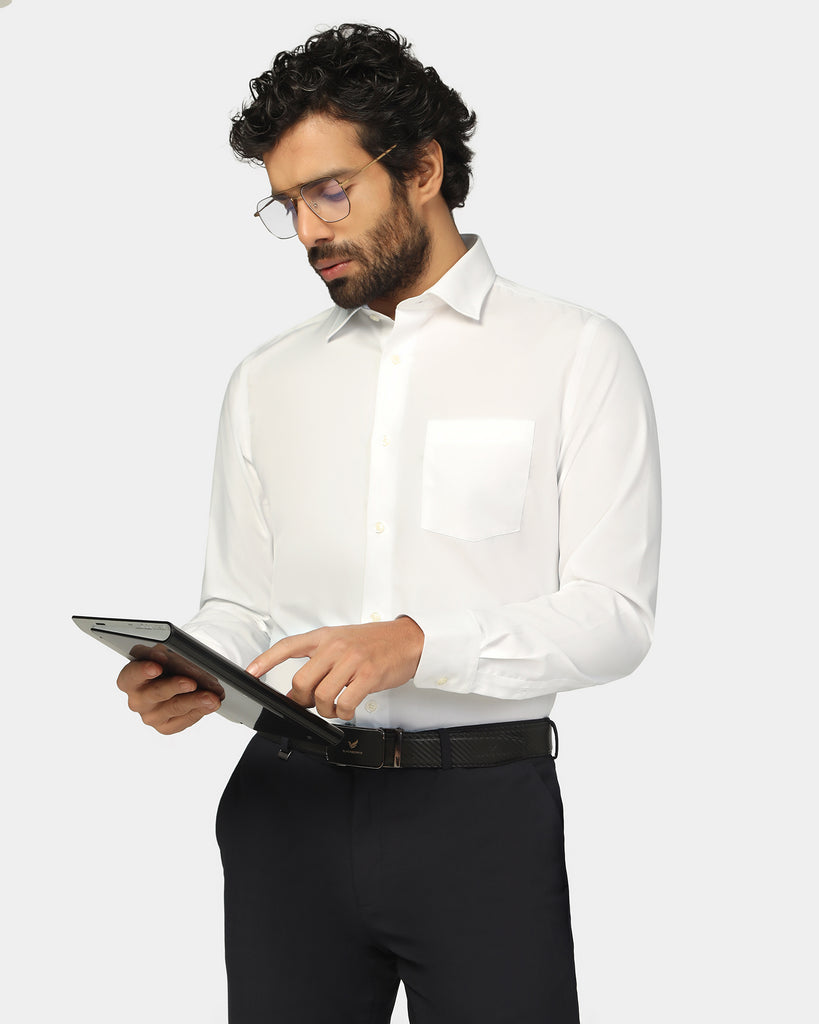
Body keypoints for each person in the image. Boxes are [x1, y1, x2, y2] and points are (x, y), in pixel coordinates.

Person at [117, 23, 661, 1024]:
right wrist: (197, 667)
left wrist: (417, 642)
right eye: (287, 204)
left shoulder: (574, 354)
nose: (309, 231)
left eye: (330, 191)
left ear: (421, 169)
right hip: (284, 809)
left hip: (478, 818)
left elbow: (614, 618)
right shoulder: (266, 380)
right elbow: (242, 604)